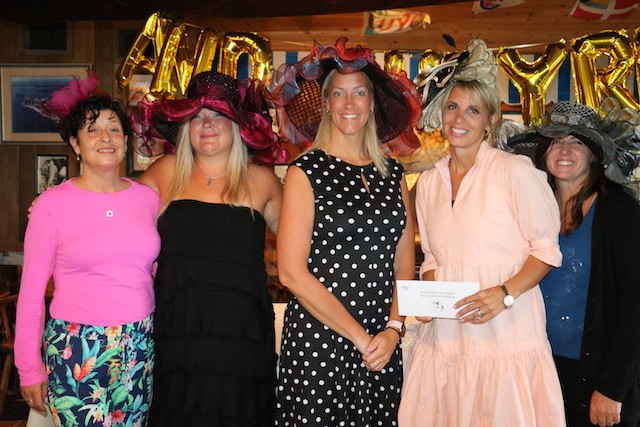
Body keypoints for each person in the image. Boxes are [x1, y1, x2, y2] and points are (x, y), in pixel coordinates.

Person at [398, 39, 567, 426]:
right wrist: (429, 297)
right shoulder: (428, 183)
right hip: (445, 340)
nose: (460, 118)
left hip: (505, 333)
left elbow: (546, 250)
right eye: (453, 107)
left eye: (473, 110)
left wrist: (505, 293)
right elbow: (434, 258)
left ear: (490, 120)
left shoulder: (515, 171)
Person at [266, 37, 420, 425]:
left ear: (372, 103)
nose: (349, 103)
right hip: (320, 340)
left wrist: (393, 329)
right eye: (338, 93)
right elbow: (291, 273)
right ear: (326, 104)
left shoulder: (393, 174)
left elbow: (404, 263)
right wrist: (361, 338)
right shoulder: (305, 172)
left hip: (382, 342)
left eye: (359, 93)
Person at [131, 70, 287, 426]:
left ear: (238, 125)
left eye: (218, 114)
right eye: (197, 115)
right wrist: (60, 207)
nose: (207, 124)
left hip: (242, 337)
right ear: (185, 125)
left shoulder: (263, 181)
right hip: (178, 333)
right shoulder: (164, 172)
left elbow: (304, 247)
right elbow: (113, 219)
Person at [15, 71, 161, 426]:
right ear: (75, 143)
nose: (105, 137)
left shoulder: (148, 199)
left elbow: (150, 271)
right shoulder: (51, 205)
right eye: (92, 129)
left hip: (139, 343)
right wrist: (28, 367)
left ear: (125, 140)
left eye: (114, 128)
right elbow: (31, 293)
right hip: (76, 346)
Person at [506, 99, 640, 427]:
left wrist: (612, 388)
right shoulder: (527, 206)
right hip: (532, 367)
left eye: (577, 142)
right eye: (556, 141)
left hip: (594, 375)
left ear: (594, 154)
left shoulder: (620, 211)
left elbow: (635, 305)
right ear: (544, 151)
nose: (564, 150)